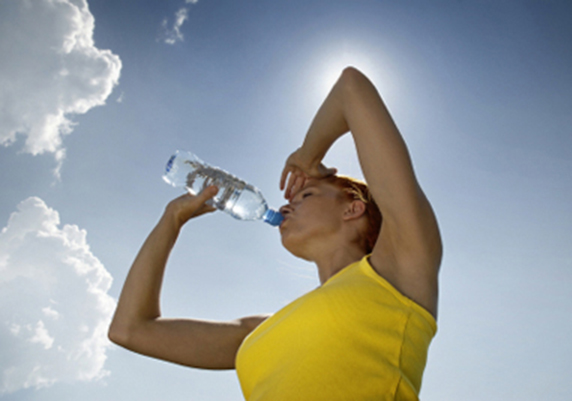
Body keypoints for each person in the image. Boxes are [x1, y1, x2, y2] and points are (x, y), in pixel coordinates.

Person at [109, 67, 442, 400]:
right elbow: (131, 330)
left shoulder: (399, 269)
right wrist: (171, 219)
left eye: (306, 195)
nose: (285, 207)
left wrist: (308, 157)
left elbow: (351, 88)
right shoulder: (261, 330)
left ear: (353, 208)